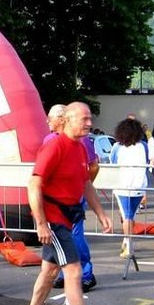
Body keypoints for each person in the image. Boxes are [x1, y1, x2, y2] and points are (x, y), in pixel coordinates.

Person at [21, 102, 113, 305]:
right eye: (84, 119)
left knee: (50, 272)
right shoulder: (55, 146)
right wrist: (41, 222)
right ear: (67, 119)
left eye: (90, 118)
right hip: (53, 219)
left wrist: (101, 213)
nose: (89, 123)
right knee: (73, 270)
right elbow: (34, 184)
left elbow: (85, 184)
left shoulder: (81, 147)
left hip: (68, 216)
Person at [44, 105, 99, 292]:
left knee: (75, 236)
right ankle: (63, 273)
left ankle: (86, 274)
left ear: (62, 118)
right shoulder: (49, 140)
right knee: (58, 240)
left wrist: (82, 187)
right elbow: (38, 178)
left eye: (50, 117)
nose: (47, 121)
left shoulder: (82, 141)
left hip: (73, 200)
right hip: (54, 203)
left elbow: (93, 166)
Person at [110, 118, 149, 258]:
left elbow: (113, 163)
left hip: (122, 185)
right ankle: (127, 243)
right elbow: (146, 163)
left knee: (126, 215)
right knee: (131, 215)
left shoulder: (117, 147)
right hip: (139, 185)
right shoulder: (143, 146)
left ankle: (128, 244)